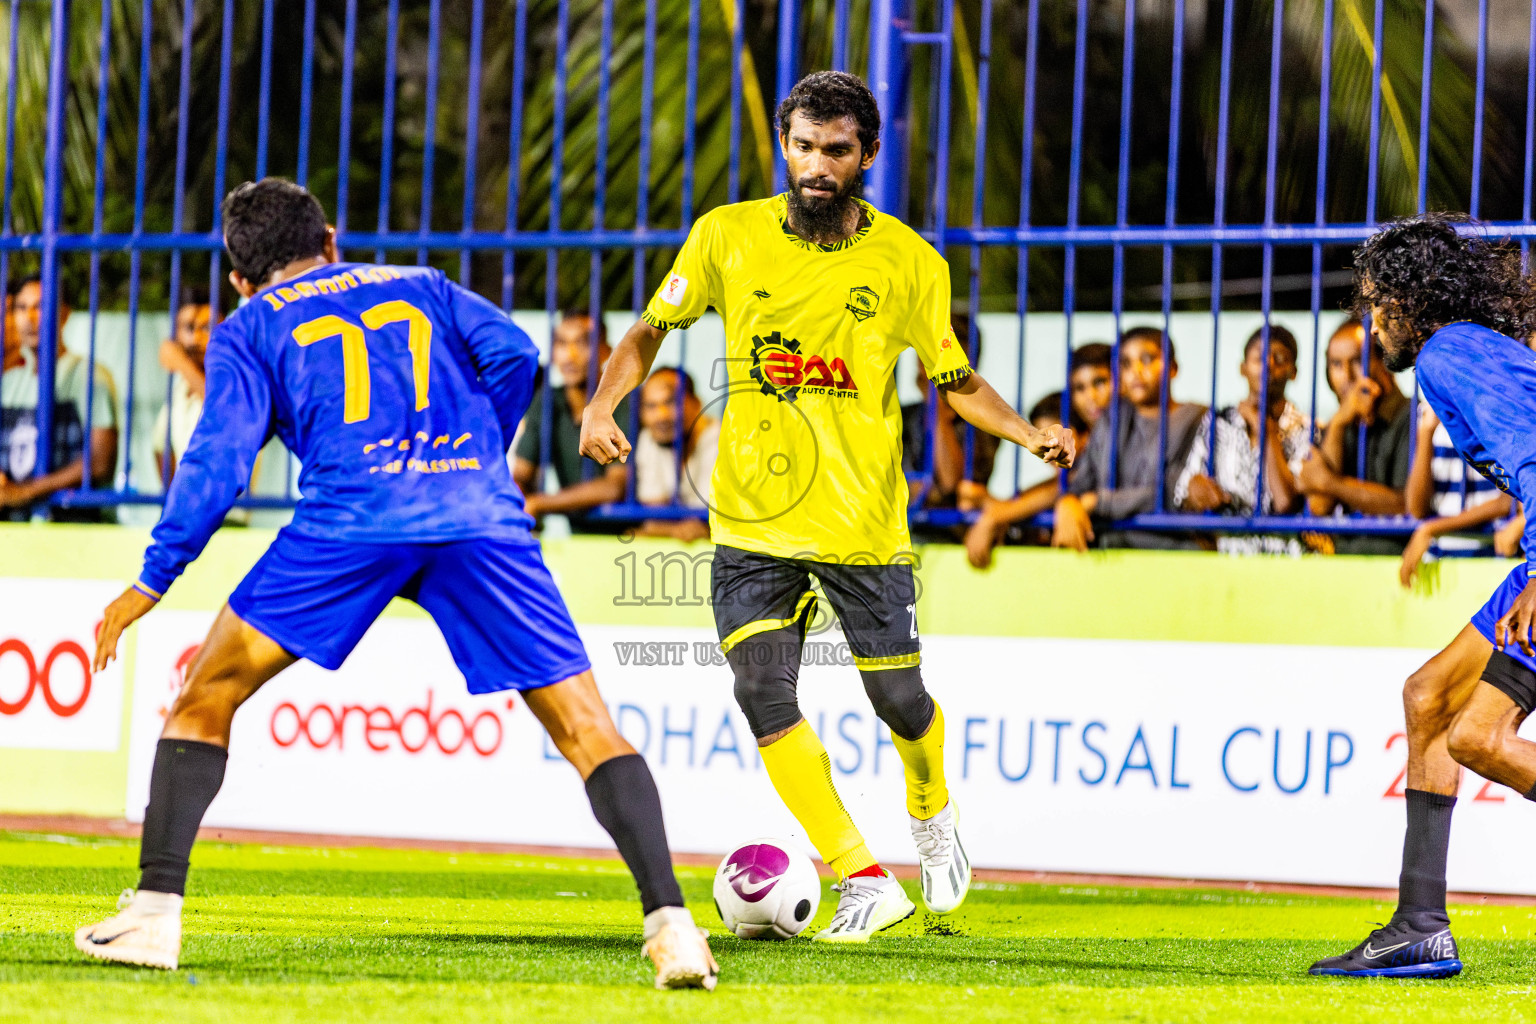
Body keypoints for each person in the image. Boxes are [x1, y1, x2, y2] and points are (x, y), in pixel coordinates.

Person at [76, 179, 718, 990]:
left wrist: (151, 579)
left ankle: (152, 918)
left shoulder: (251, 327)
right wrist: (478, 455)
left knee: (204, 698)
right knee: (587, 725)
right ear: (332, 239)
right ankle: (672, 928)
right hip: (476, 518)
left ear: (239, 277)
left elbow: (218, 466)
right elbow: (516, 355)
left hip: (351, 522)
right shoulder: (424, 285)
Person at [577, 71, 1072, 942]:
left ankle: (931, 806)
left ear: (867, 156)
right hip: (750, 524)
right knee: (760, 688)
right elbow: (651, 330)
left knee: (901, 705)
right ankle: (862, 877)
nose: (815, 165)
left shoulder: (911, 262)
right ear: (785, 145)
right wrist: (600, 403)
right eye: (802, 146)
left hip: (862, 526)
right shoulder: (725, 237)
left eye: (835, 150)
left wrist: (1029, 436)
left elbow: (955, 382)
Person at [1309, 213, 1536, 980]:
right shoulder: (1470, 349)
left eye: (1376, 303)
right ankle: (1419, 927)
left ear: (1410, 298)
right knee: (1429, 696)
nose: (1373, 325)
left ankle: (1418, 924)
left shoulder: (1446, 355)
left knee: (1478, 739)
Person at [1053, 327, 1206, 550]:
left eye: (1147, 359)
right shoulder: (1112, 419)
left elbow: (1173, 491)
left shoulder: (1197, 418)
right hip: (1108, 551)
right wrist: (1067, 502)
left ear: (1173, 368)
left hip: (1172, 552)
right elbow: (1081, 484)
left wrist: (1098, 503)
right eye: (1126, 364)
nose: (1136, 371)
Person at [1173, 324, 1311, 555]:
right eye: (1259, 358)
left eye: (1279, 358)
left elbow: (1285, 503)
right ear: (1242, 368)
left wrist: (1264, 428)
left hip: (1289, 558)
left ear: (1293, 372)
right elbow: (1185, 493)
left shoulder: (1305, 427)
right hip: (1230, 557)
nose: (1268, 365)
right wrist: (1195, 491)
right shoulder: (1218, 423)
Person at [0, 274, 119, 522]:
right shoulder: (10, 382)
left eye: (40, 306)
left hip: (72, 525)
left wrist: (26, 492)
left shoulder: (90, 377)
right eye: (20, 308)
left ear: (63, 314)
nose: (29, 318)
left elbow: (100, 463)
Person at [1298, 317, 1413, 554]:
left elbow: (1405, 505)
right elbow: (1320, 506)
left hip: (1394, 557)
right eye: (1336, 365)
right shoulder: (1341, 423)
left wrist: (1331, 483)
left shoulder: (1411, 417)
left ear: (1383, 362)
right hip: (1345, 562)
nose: (1347, 376)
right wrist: (1340, 421)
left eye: (1356, 362)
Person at [512, 311, 632, 531]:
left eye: (583, 343)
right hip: (576, 542)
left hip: (633, 539)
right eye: (561, 344)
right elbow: (520, 474)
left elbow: (615, 487)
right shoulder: (547, 402)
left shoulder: (625, 401)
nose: (570, 355)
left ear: (606, 351)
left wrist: (539, 503)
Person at [964, 391, 1084, 567]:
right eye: (1044, 437)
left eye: (1057, 435)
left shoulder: (1089, 470)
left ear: (1085, 433)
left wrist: (995, 515)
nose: (1049, 446)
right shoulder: (1060, 476)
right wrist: (993, 506)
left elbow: (1062, 487)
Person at [1399, 400, 1512, 587]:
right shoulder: (1429, 412)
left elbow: (1508, 500)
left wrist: (1433, 528)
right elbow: (1417, 508)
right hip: (1438, 557)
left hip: (1488, 554)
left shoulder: (1493, 408)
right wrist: (1426, 432)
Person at [901, 311, 1000, 511]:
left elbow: (951, 485)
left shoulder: (985, 424)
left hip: (952, 535)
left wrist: (938, 409)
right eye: (925, 352)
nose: (929, 364)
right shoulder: (903, 416)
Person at [633, 366, 717, 541]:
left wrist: (663, 529)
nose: (661, 415)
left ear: (696, 403)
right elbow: (653, 518)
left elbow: (716, 523)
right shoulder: (649, 439)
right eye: (651, 406)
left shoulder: (721, 440)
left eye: (671, 402)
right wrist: (677, 530)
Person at [151, 287, 218, 480]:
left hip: (230, 509)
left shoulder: (236, 375)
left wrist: (181, 364)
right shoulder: (181, 386)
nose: (196, 337)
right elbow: (159, 445)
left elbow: (223, 408)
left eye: (206, 327)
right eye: (188, 327)